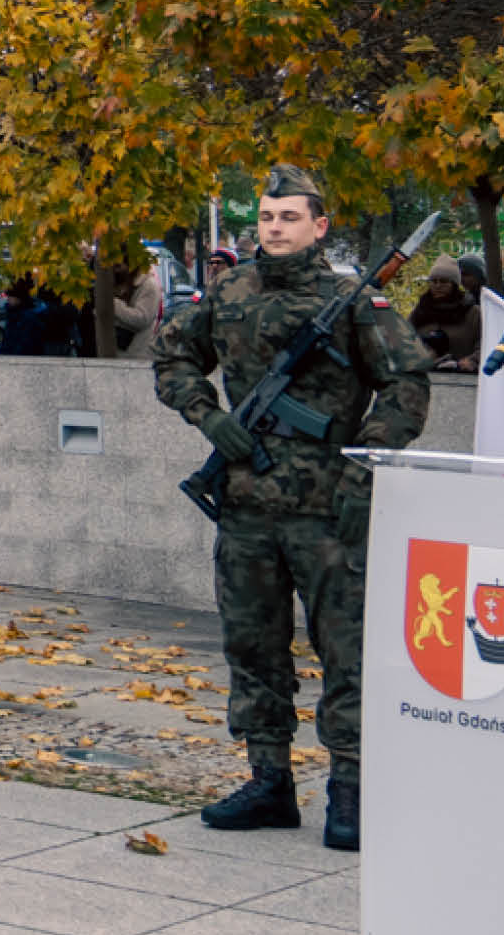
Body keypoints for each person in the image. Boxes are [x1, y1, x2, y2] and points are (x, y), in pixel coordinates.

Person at [149, 163, 428, 854]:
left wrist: (367, 465)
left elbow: (406, 385)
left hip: (329, 511)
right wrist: (207, 417)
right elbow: (172, 354)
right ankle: (269, 781)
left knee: (347, 652)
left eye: (289, 218)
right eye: (267, 219)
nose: (274, 229)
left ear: (320, 225)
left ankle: (351, 791)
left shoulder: (355, 299)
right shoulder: (229, 291)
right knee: (253, 647)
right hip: (246, 506)